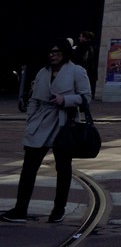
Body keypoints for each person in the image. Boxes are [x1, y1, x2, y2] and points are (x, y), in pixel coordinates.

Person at [1, 41, 91, 224]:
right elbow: (34, 98)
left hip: (64, 123)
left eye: (57, 52)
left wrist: (65, 99)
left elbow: (86, 97)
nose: (53, 55)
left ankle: (59, 209)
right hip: (40, 123)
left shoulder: (77, 71)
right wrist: (31, 118)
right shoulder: (43, 72)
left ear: (65, 53)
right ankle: (20, 210)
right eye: (50, 52)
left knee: (63, 168)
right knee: (28, 167)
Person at [72, 31, 98, 100]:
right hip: (90, 71)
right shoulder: (93, 46)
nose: (79, 38)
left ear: (84, 38)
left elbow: (78, 59)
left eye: (80, 36)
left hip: (83, 70)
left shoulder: (82, 47)